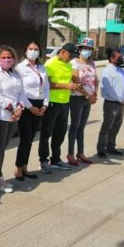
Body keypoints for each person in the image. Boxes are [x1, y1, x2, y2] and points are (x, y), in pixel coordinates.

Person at [0, 45, 29, 193]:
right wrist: (13, 109)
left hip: (14, 115)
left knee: (3, 147)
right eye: (3, 57)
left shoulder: (16, 74)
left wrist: (20, 107)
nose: (6, 60)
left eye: (9, 57)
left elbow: (22, 93)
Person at [39, 43, 80, 173]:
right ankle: (44, 161)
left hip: (65, 102)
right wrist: (66, 86)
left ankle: (55, 159)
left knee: (60, 133)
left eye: (74, 56)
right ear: (62, 52)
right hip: (52, 103)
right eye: (70, 55)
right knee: (46, 133)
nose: (71, 58)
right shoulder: (50, 64)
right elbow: (47, 85)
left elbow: (69, 81)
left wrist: (74, 85)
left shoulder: (69, 64)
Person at [15, 41, 50, 180]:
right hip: (25, 104)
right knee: (24, 139)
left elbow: (46, 88)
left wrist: (45, 105)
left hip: (40, 104)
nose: (33, 51)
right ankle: (18, 168)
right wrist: (31, 107)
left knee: (30, 140)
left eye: (36, 49)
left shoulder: (42, 67)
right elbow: (20, 90)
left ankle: (25, 167)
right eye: (30, 49)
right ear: (25, 51)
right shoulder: (20, 68)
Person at [66, 38, 99, 166]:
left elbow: (96, 79)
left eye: (90, 49)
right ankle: (70, 153)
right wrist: (88, 96)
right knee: (74, 126)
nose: (87, 51)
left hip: (88, 98)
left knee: (82, 127)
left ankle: (80, 152)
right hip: (77, 98)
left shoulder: (92, 63)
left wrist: (95, 94)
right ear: (79, 49)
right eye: (85, 48)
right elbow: (76, 83)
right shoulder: (74, 63)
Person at [97, 49, 124, 159]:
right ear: (111, 58)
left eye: (121, 57)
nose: (121, 59)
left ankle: (111, 147)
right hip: (111, 103)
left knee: (116, 126)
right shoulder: (107, 71)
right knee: (107, 127)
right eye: (118, 58)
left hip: (121, 104)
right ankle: (101, 149)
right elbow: (108, 89)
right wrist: (119, 98)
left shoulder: (121, 70)